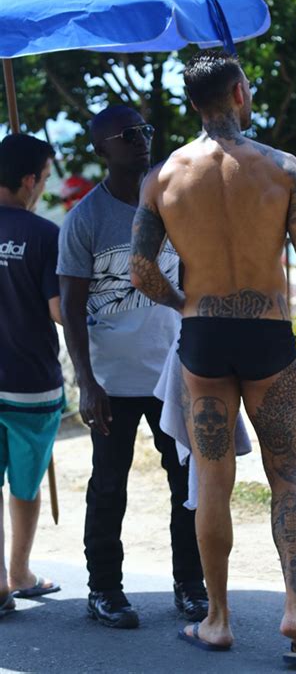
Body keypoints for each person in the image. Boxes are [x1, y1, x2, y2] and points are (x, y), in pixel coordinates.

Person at [129, 51, 296, 663]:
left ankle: (218, 620)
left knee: (213, 484)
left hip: (203, 338)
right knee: (287, 481)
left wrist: (184, 304)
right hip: (269, 337)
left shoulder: (164, 177)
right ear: (238, 93)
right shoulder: (282, 170)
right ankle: (295, 609)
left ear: (193, 102)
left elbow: (139, 269)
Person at [57, 106, 207, 629]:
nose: (141, 141)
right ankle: (104, 591)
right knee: (109, 485)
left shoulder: (173, 206)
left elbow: (194, 281)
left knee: (186, 480)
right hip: (112, 381)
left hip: (172, 370)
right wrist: (87, 383)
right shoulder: (85, 219)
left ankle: (190, 586)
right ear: (102, 149)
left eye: (145, 131)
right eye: (127, 135)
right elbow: (71, 308)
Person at [0, 134, 62, 618]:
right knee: (26, 483)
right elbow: (60, 312)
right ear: (27, 180)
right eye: (43, 178)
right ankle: (19, 572)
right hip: (31, 385)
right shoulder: (44, 235)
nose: (43, 187)